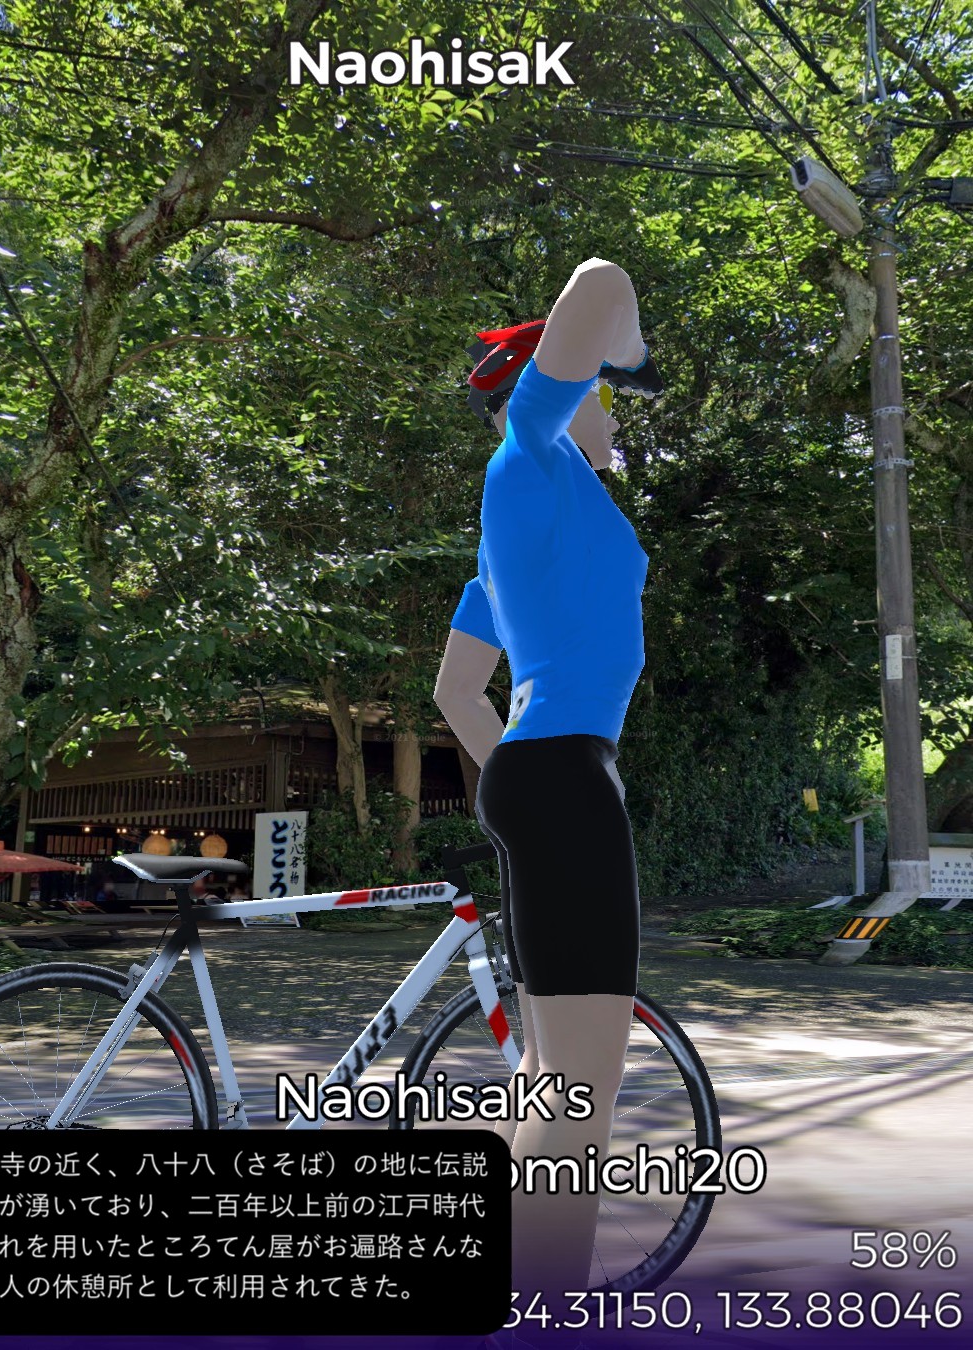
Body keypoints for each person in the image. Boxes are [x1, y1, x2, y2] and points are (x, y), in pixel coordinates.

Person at [433, 258, 662, 1347]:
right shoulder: (527, 457)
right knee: (581, 1094)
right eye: (603, 395)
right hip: (562, 775)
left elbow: (454, 691)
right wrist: (630, 354)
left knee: (549, 1083)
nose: (614, 413)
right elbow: (602, 280)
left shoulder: (523, 518)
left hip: (544, 772)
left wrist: (515, 789)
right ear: (564, 392)